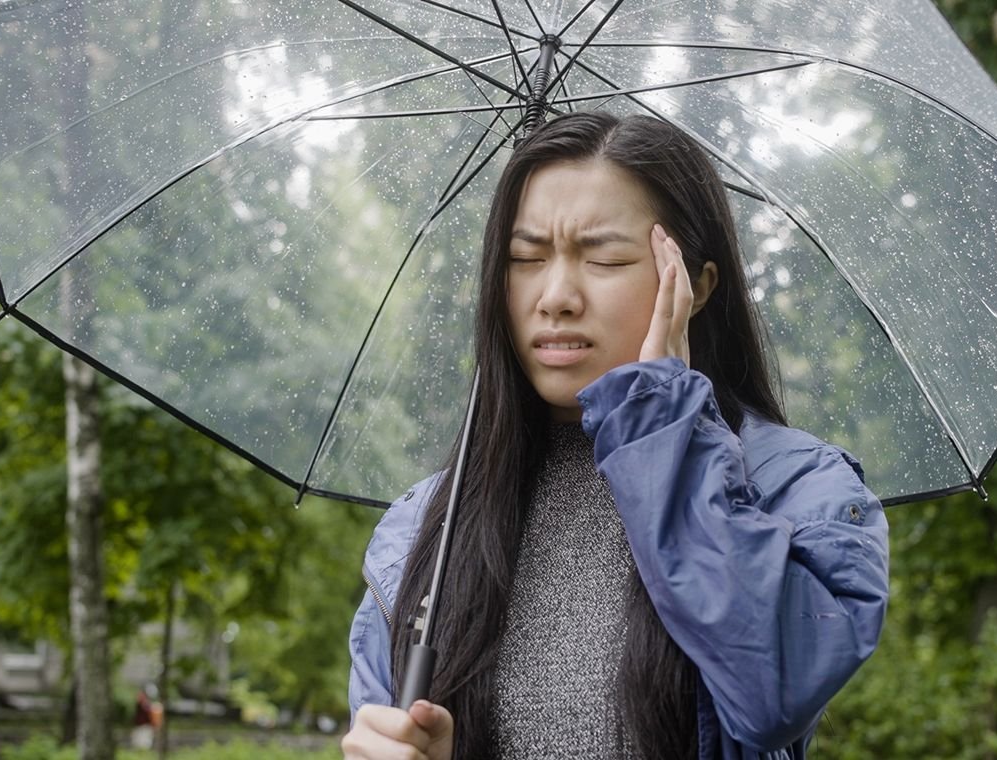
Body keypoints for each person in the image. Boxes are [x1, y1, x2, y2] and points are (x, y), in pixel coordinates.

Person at [341, 112, 889, 760]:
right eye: (525, 258)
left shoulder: (797, 491)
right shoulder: (420, 531)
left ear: (696, 285)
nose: (556, 296)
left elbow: (770, 690)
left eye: (602, 256)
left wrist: (659, 419)